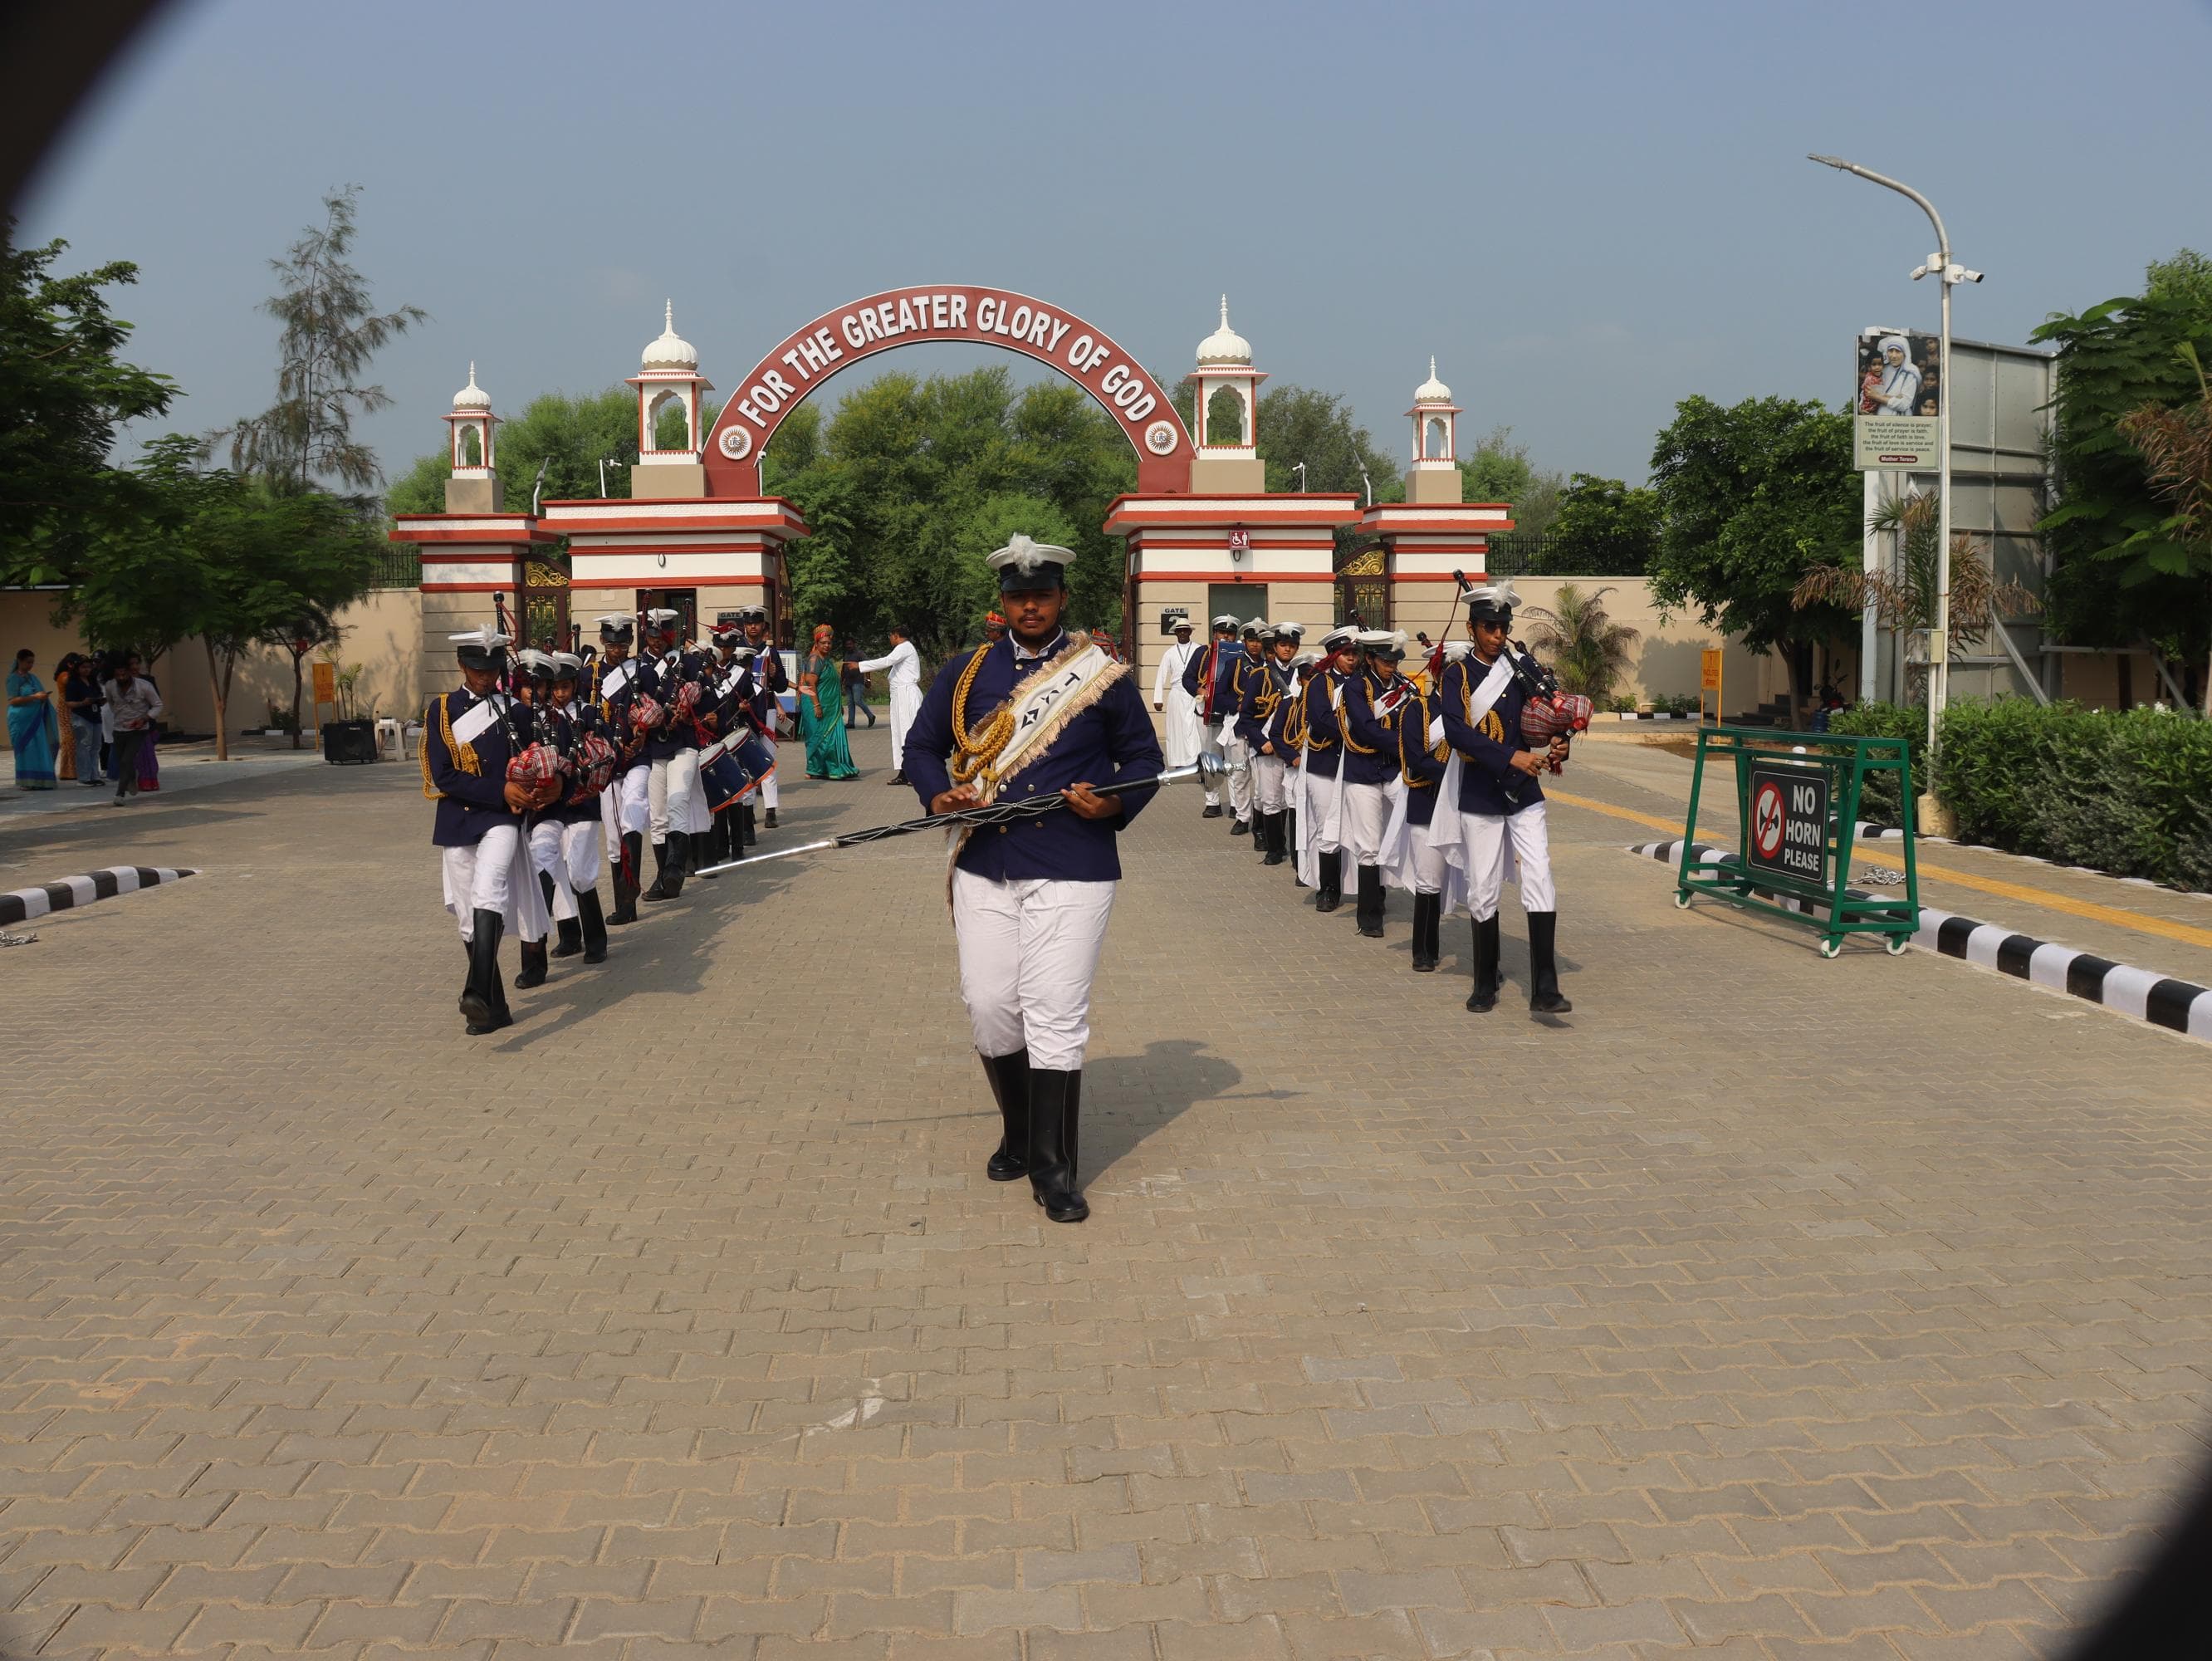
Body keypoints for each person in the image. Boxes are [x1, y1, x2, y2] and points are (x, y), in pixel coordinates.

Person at [904, 534, 1164, 1225]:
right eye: (1018, 596)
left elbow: (1143, 756)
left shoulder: (1099, 674)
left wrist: (1112, 801)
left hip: (1074, 863)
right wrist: (938, 797)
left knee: (1053, 1011)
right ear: (1003, 602)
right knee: (990, 1007)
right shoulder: (966, 674)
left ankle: (1054, 1167)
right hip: (986, 863)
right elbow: (922, 748)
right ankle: (1017, 1133)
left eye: (1042, 596)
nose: (1030, 606)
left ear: (1061, 599)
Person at [1437, 583, 1573, 1016]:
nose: (1497, 635)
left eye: (1503, 627)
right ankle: (1484, 981)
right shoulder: (1457, 674)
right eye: (1489, 627)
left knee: (1540, 875)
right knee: (1484, 886)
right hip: (1481, 791)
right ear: (1472, 627)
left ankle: (1545, 987)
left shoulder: (1522, 666)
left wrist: (1559, 737)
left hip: (1524, 794)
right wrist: (1510, 755)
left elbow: (1549, 711)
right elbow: (1456, 731)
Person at [422, 628, 555, 1035]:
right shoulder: (442, 709)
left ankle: (476, 990)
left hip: (502, 818)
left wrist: (534, 788)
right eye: (478, 669)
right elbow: (443, 774)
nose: (486, 677)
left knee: (489, 888)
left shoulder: (515, 710)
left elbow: (535, 761)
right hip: (459, 818)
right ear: (462, 666)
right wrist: (500, 788)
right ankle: (492, 1007)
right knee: (466, 913)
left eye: (493, 669)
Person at [1384, 639, 1469, 973]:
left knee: (1480, 883)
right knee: (1429, 880)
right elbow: (1416, 759)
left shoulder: (1473, 712)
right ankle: (1424, 949)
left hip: (1467, 807)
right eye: (1450, 675)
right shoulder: (1417, 710)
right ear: (1438, 675)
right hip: (1428, 803)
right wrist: (1455, 777)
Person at [541, 650, 611, 964]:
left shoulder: (590, 714)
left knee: (580, 871)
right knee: (556, 869)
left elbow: (611, 753)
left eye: (565, 687)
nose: (559, 694)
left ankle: (597, 938)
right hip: (552, 807)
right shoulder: (539, 717)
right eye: (554, 687)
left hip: (583, 804)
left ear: (575, 685)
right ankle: (569, 935)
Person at [1341, 630, 1412, 939]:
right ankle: (1370, 915)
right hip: (1363, 771)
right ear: (1370, 659)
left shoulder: (1404, 687)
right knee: (1368, 845)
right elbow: (1367, 730)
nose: (1391, 666)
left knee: (1417, 820)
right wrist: (1407, 742)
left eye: (1395, 660)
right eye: (1385, 660)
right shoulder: (1355, 688)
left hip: (1393, 769)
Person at [639, 608, 710, 901]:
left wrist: (691, 706)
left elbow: (709, 698)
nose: (657, 642)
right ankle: (661, 876)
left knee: (678, 800)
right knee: (657, 814)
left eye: (663, 636)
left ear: (671, 634)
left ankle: (675, 867)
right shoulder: (636, 667)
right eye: (653, 636)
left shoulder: (688, 662)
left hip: (684, 741)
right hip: (654, 746)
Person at [1287, 625, 1358, 910]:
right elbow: (1322, 720)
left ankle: (1368, 887)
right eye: (1346, 654)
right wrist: (1360, 732)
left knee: (1360, 828)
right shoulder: (1320, 682)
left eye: (1355, 653)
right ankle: (1328, 888)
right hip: (1325, 763)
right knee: (1327, 827)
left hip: (1356, 763)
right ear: (1333, 655)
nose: (1352, 659)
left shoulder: (1364, 681)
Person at [589, 615, 649, 924]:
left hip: (637, 758)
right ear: (602, 642)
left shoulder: (642, 671)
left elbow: (658, 707)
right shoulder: (589, 675)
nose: (617, 651)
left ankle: (631, 894)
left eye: (623, 645)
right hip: (607, 762)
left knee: (634, 811)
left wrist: (640, 735)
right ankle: (624, 906)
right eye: (612, 644)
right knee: (613, 835)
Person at [1236, 621, 1300, 866]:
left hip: (1292, 747)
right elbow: (1247, 717)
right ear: (1274, 647)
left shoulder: (1302, 675)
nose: (1287, 650)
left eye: (1292, 646)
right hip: (1268, 748)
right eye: (1283, 645)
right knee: (1271, 799)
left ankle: (1297, 852)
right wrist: (1261, 742)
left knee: (1291, 800)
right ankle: (1275, 848)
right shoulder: (1260, 676)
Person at [1179, 614, 1243, 820]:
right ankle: (1212, 802)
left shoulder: (1241, 654)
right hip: (1206, 712)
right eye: (1222, 632)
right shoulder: (1203, 653)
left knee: (1234, 760)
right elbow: (1187, 678)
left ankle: (1237, 804)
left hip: (1231, 715)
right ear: (1214, 633)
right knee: (1210, 757)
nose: (1226, 636)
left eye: (1230, 633)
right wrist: (1199, 689)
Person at [853, 625, 923, 786]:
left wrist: (860, 666)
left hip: (907, 695)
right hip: (900, 696)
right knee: (899, 734)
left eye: (890, 636)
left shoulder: (904, 647)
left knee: (908, 733)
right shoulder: (904, 649)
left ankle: (915, 772)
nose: (890, 639)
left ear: (896, 636)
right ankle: (904, 772)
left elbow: (886, 661)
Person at [799, 623, 859, 780]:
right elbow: (811, 683)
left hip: (831, 707)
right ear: (816, 644)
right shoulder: (815, 659)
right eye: (823, 643)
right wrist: (817, 705)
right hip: (816, 704)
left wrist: (839, 705)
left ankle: (826, 768)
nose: (826, 645)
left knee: (830, 738)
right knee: (820, 737)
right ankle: (817, 769)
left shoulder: (826, 659)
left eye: (829, 643)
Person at [1152, 618, 1205, 788]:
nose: (1182, 633)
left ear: (1190, 632)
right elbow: (1161, 674)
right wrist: (1157, 698)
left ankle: (1196, 760)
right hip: (1176, 694)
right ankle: (1179, 762)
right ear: (1175, 633)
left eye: (1185, 630)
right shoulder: (1169, 653)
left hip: (1194, 693)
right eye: (1179, 630)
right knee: (1177, 729)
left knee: (1195, 728)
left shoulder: (1199, 649)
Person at [104, 654, 164, 805]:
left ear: (130, 672)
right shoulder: (110, 686)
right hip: (119, 729)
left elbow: (158, 705)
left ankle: (120, 794)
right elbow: (111, 704)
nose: (122, 677)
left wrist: (144, 718)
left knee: (126, 760)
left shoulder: (144, 686)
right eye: (118, 675)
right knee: (122, 761)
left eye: (124, 674)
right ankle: (131, 777)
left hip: (139, 729)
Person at [7, 649, 59, 790]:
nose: (31, 665)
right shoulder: (13, 678)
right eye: (28, 662)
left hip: (36, 719)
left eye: (32, 662)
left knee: (39, 749)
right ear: (19, 660)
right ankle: (26, 781)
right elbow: (12, 700)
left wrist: (43, 697)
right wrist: (35, 697)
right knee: (26, 750)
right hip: (21, 720)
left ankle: (40, 781)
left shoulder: (33, 678)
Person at [59, 654, 105, 786]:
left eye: (89, 667)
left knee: (96, 747)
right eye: (84, 667)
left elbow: (98, 695)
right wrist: (83, 703)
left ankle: (94, 775)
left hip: (96, 716)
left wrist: (101, 701)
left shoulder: (93, 682)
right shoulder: (73, 683)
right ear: (77, 668)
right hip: (81, 717)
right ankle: (84, 777)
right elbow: (69, 703)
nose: (87, 670)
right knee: (84, 746)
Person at [841, 645, 876, 728]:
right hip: (848, 681)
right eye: (847, 644)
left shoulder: (860, 654)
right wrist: (841, 680)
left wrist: (868, 679)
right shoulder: (846, 654)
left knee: (857, 700)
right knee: (850, 703)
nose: (849, 646)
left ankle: (871, 715)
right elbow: (844, 668)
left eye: (850, 644)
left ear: (854, 644)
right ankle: (851, 722)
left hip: (857, 681)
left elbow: (867, 665)